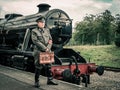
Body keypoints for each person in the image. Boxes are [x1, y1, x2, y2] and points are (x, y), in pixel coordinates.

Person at [31, 16, 58, 88]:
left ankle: (50, 80)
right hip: (39, 51)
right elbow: (35, 41)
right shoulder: (34, 31)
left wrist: (48, 48)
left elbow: (50, 40)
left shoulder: (47, 30)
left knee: (49, 65)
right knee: (38, 66)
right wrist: (44, 48)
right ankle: (36, 82)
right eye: (41, 22)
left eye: (43, 22)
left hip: (47, 50)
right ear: (38, 23)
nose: (43, 23)